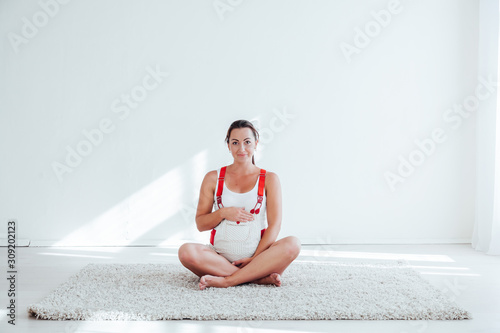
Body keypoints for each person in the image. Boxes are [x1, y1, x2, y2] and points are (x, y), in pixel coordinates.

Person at [178, 119, 301, 290]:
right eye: (235, 142)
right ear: (228, 145)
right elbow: (201, 224)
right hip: (219, 260)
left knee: (293, 244)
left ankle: (229, 280)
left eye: (247, 142)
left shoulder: (270, 179)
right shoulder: (213, 178)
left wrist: (254, 259)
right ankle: (257, 278)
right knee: (185, 252)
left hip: (260, 259)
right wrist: (223, 213)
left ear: (256, 144)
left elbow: (275, 225)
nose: (241, 149)